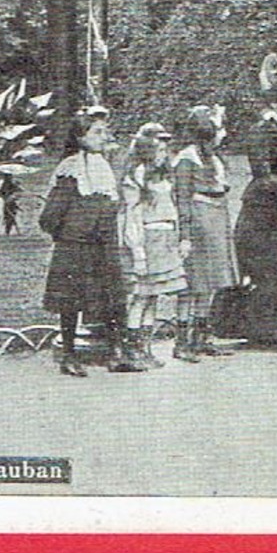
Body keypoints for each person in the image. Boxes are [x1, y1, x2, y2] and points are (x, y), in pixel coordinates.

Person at [219, 53, 277, 348]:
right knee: (268, 272)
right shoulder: (262, 132)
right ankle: (264, 332)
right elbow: (263, 175)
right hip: (262, 213)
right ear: (276, 101)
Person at [39, 106, 127, 377]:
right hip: (76, 246)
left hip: (104, 244)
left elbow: (112, 204)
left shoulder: (104, 167)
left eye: (104, 131)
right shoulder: (71, 169)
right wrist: (70, 234)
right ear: (80, 136)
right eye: (97, 131)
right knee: (70, 301)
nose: (104, 136)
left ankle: (114, 353)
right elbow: (50, 215)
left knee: (110, 296)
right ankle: (68, 354)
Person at [171, 104, 239, 362]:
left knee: (209, 283)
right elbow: (182, 199)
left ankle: (201, 338)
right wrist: (185, 234)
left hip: (216, 221)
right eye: (219, 129)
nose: (223, 134)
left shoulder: (213, 158)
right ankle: (181, 342)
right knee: (191, 284)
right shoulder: (187, 160)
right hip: (199, 223)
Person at [118, 122, 188, 371]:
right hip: (148, 240)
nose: (163, 155)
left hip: (165, 239)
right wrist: (137, 252)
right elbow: (132, 217)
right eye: (158, 150)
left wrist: (179, 238)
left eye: (165, 151)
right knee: (140, 296)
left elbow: (173, 210)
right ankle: (131, 349)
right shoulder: (136, 175)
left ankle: (145, 348)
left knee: (153, 297)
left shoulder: (162, 176)